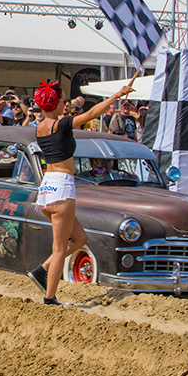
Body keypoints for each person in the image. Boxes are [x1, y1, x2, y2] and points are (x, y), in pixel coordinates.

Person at [27, 79, 134, 306]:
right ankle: (49, 298)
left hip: (47, 188)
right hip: (62, 187)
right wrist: (117, 95)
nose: (66, 104)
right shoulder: (61, 124)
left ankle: (42, 270)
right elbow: (93, 113)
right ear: (55, 103)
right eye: (63, 100)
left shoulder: (39, 128)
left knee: (80, 238)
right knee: (58, 249)